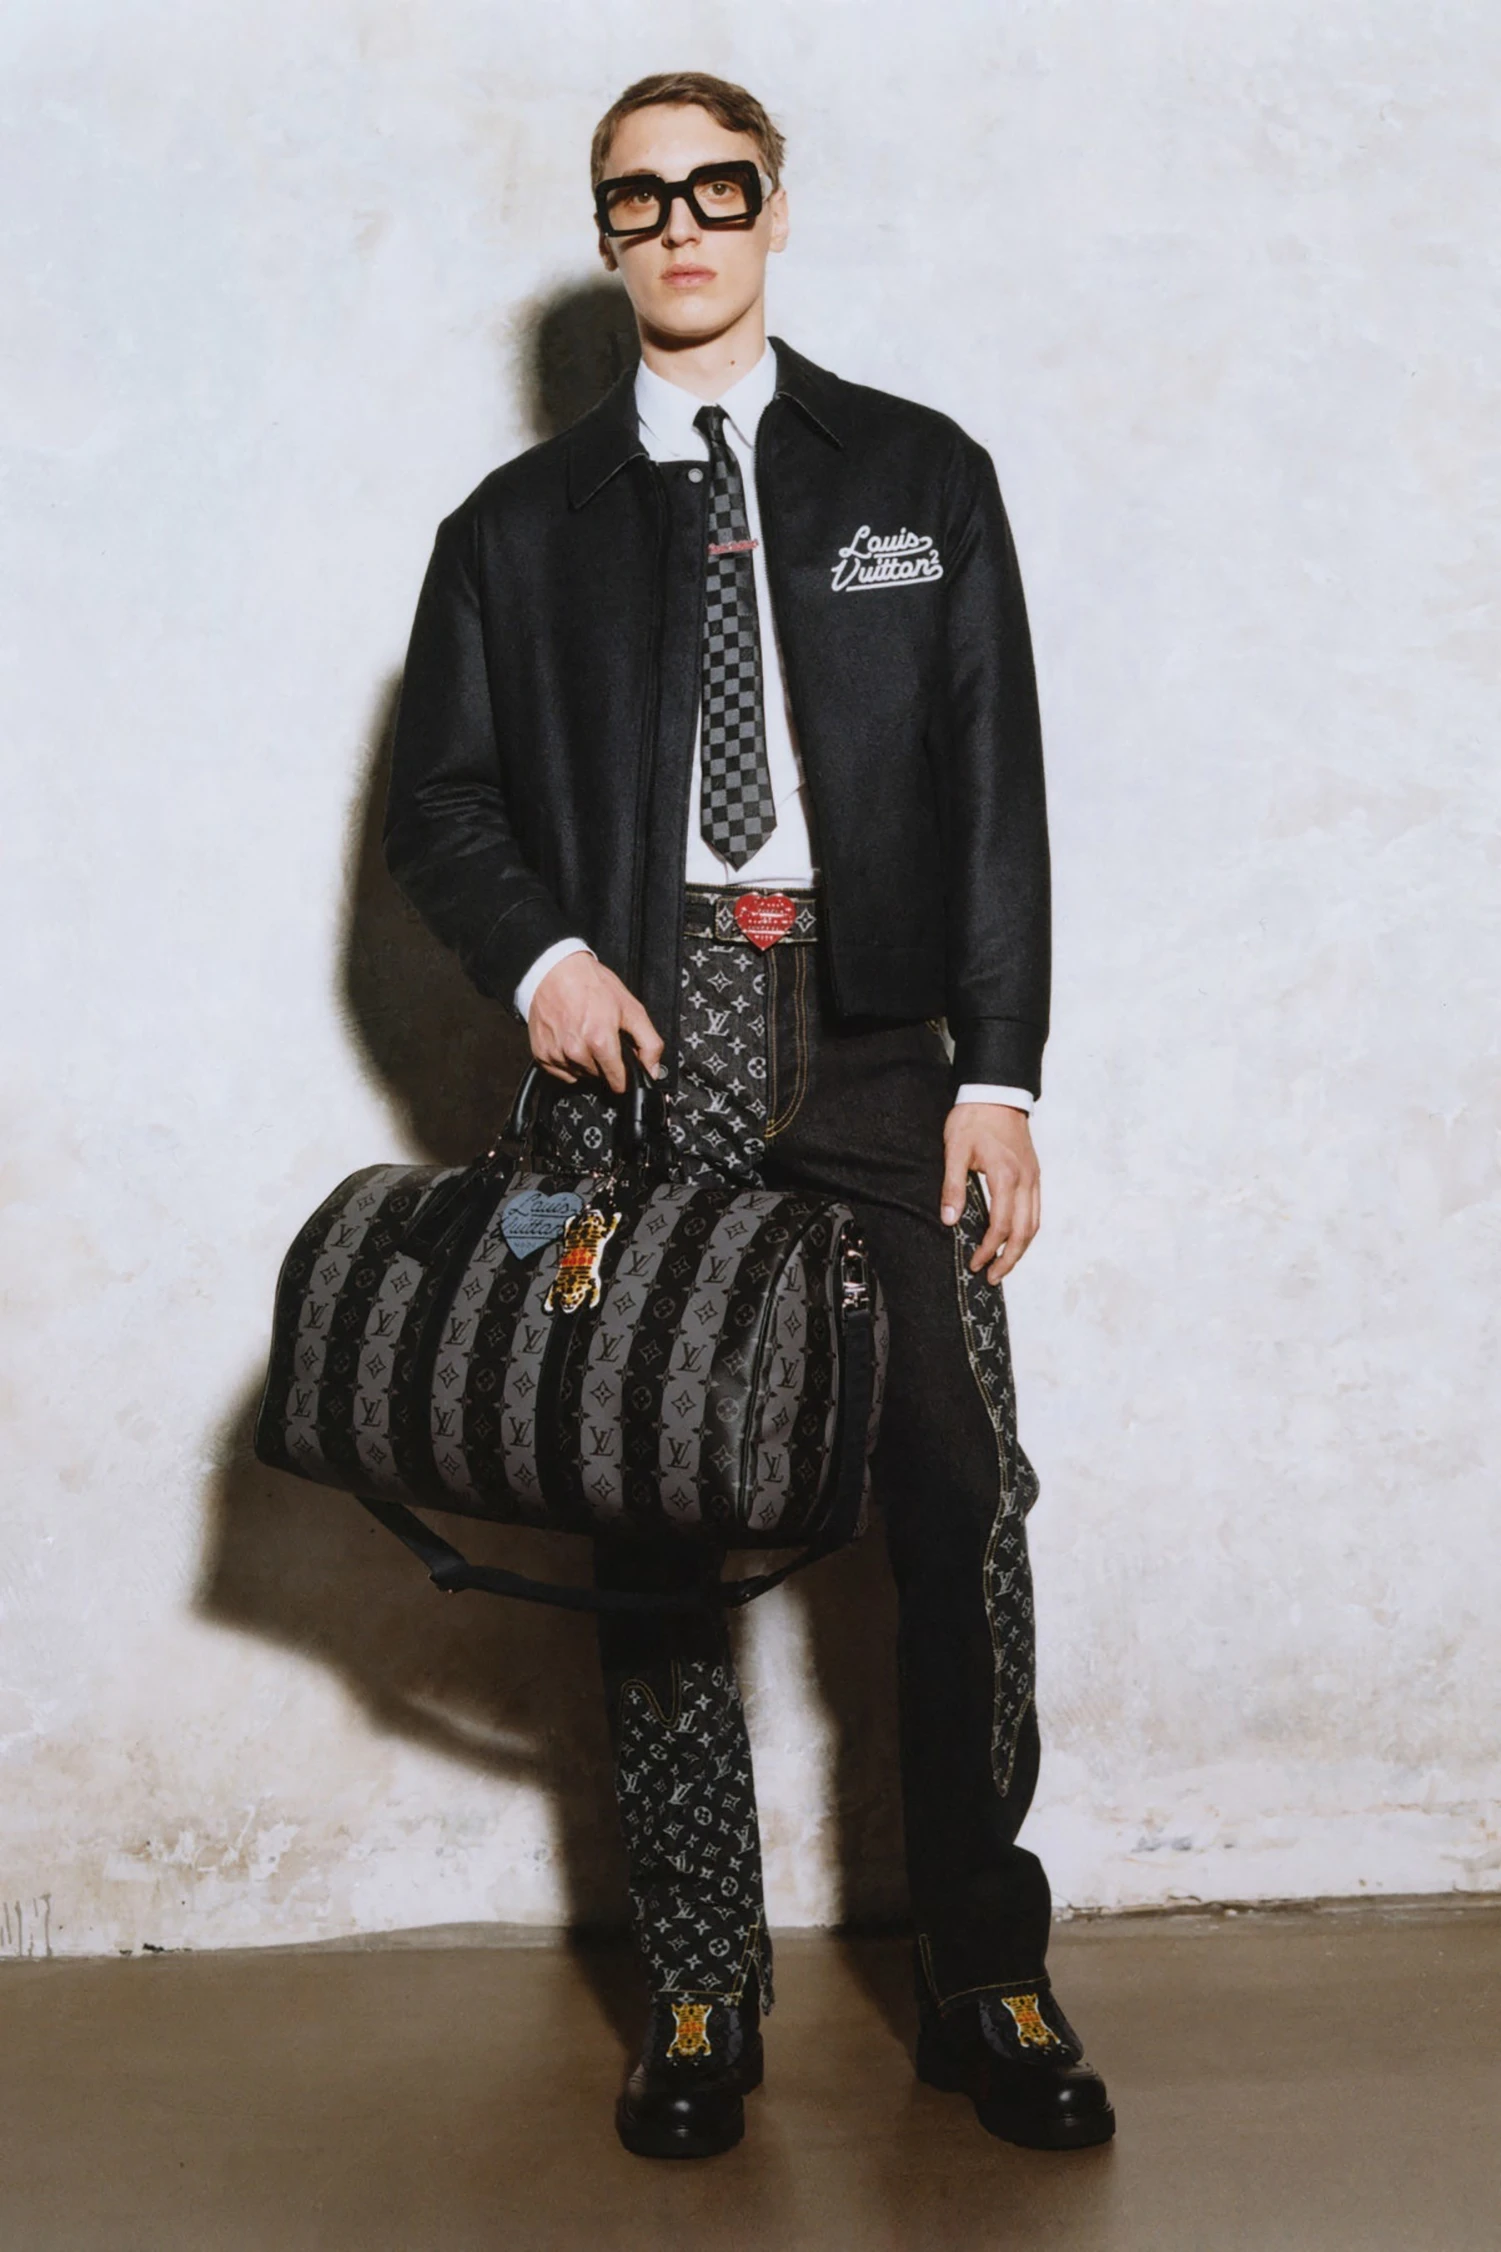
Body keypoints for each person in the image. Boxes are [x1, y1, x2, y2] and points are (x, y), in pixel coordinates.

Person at [384, 69, 1114, 2161]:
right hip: (640, 1034)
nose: (684, 225)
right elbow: (439, 803)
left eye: (721, 187)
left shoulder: (920, 475)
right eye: (643, 199)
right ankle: (703, 1981)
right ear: (607, 232)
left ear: (777, 208)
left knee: (958, 1493)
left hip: (877, 1028)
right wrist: (546, 959)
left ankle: (983, 1967)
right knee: (655, 1505)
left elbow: (995, 790)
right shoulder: (511, 533)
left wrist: (999, 1073)